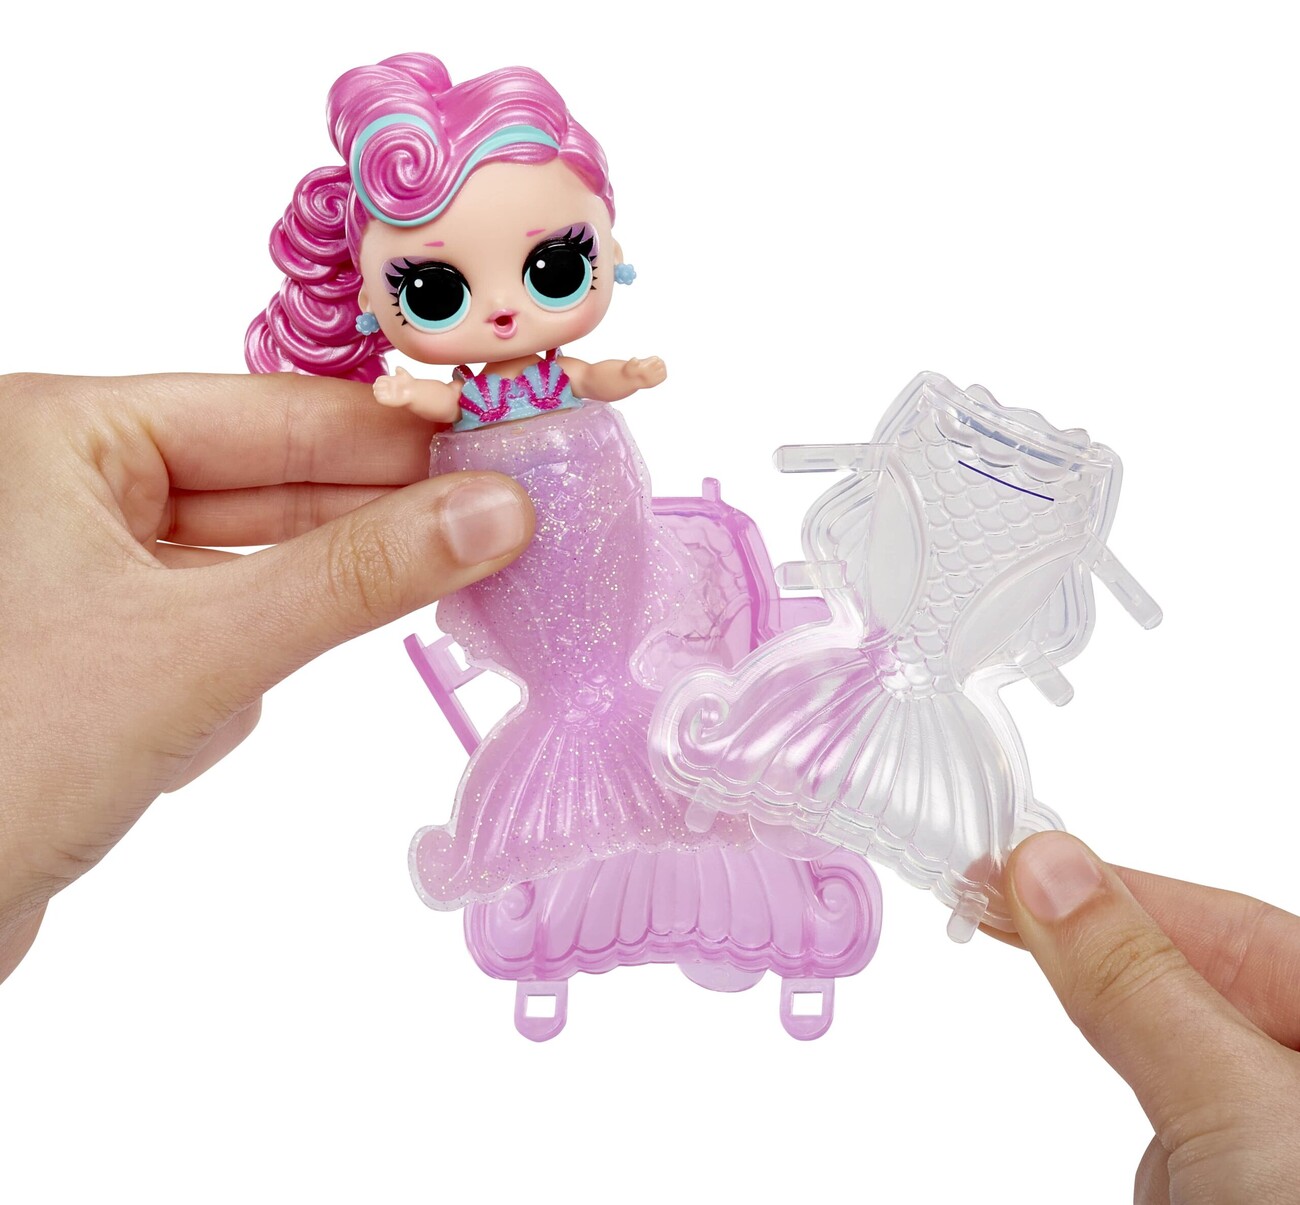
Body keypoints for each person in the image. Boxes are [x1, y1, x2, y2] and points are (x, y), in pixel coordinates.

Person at [2, 369, 1297, 1200]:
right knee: (711, 761)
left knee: (767, 769)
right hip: (701, 722)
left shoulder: (824, 649)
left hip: (828, 729)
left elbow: (992, 607)